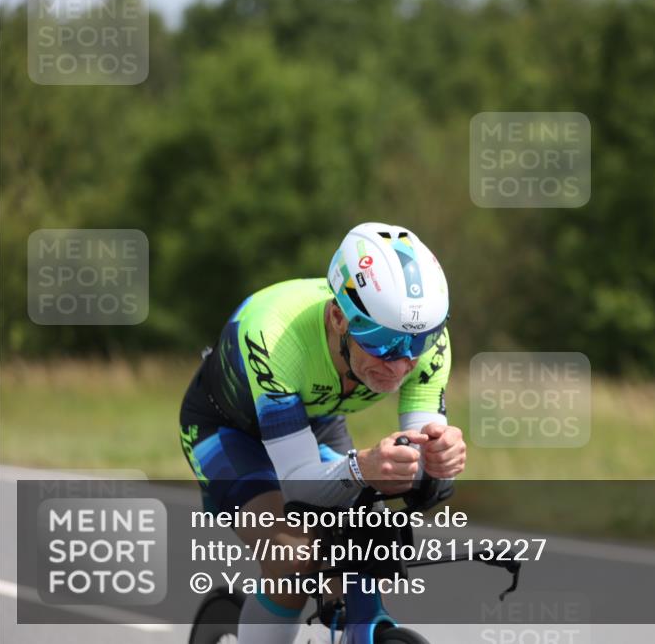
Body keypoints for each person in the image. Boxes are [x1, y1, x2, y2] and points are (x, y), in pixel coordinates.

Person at [178, 222, 466, 644]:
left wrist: (440, 465)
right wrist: (365, 467)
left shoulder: (424, 344)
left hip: (313, 421)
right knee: (293, 557)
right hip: (227, 429)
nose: (401, 363)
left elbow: (425, 478)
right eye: (382, 341)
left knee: (359, 551)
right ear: (337, 318)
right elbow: (299, 485)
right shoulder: (273, 335)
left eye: (416, 342)